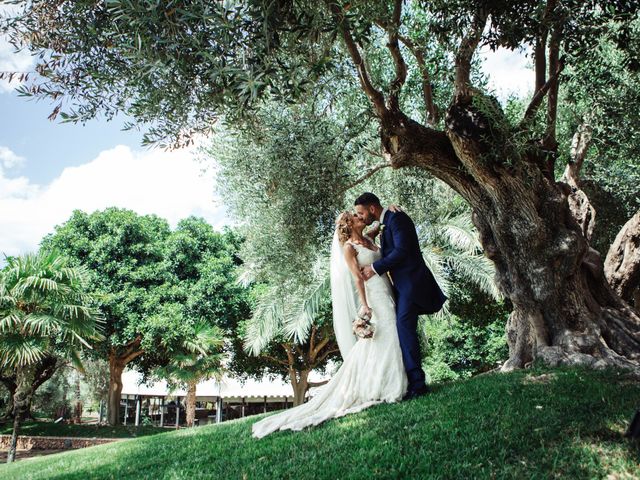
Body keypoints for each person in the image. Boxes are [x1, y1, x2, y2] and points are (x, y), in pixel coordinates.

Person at [252, 210, 407, 438]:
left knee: (386, 336)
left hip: (388, 289)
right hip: (375, 295)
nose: (360, 217)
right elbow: (356, 278)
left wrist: (389, 210)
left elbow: (382, 223)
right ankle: (388, 385)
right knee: (388, 333)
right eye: (355, 216)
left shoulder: (369, 239)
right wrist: (364, 305)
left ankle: (380, 380)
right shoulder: (349, 248)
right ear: (349, 224)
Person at [356, 192, 447, 400]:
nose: (360, 217)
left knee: (405, 330)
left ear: (372, 208)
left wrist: (374, 267)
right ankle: (408, 381)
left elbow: (403, 251)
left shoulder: (397, 218)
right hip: (400, 287)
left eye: (361, 213)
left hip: (411, 284)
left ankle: (417, 384)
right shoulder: (387, 220)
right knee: (403, 332)